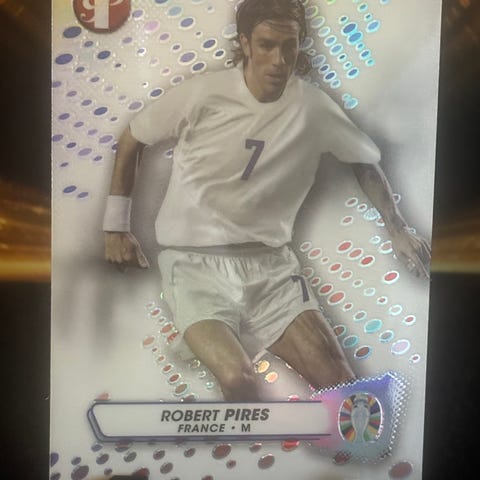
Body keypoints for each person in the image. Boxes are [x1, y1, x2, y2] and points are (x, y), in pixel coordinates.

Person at [103, 0, 430, 401]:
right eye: (266, 45)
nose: (278, 60)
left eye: (289, 46)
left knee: (343, 390)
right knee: (239, 379)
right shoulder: (203, 94)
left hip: (272, 270)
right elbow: (132, 137)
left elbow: (364, 161)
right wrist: (115, 226)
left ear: (300, 44)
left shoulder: (313, 107)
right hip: (194, 266)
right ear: (245, 43)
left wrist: (397, 228)